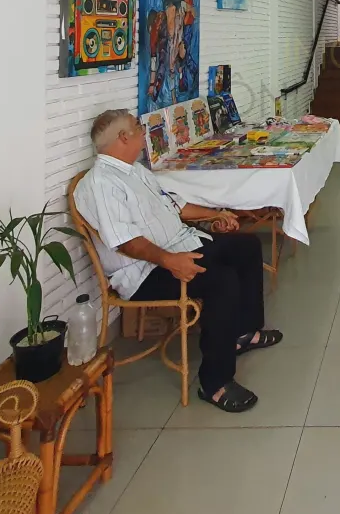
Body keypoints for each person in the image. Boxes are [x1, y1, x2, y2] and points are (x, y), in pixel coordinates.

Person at [74, 108, 282, 412]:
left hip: (180, 244)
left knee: (246, 247)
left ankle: (243, 333)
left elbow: (177, 207)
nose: (143, 132)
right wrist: (170, 261)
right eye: (137, 128)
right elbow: (126, 242)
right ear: (123, 138)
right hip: (147, 271)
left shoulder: (135, 171)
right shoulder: (101, 183)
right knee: (221, 281)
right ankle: (215, 383)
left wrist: (217, 215)